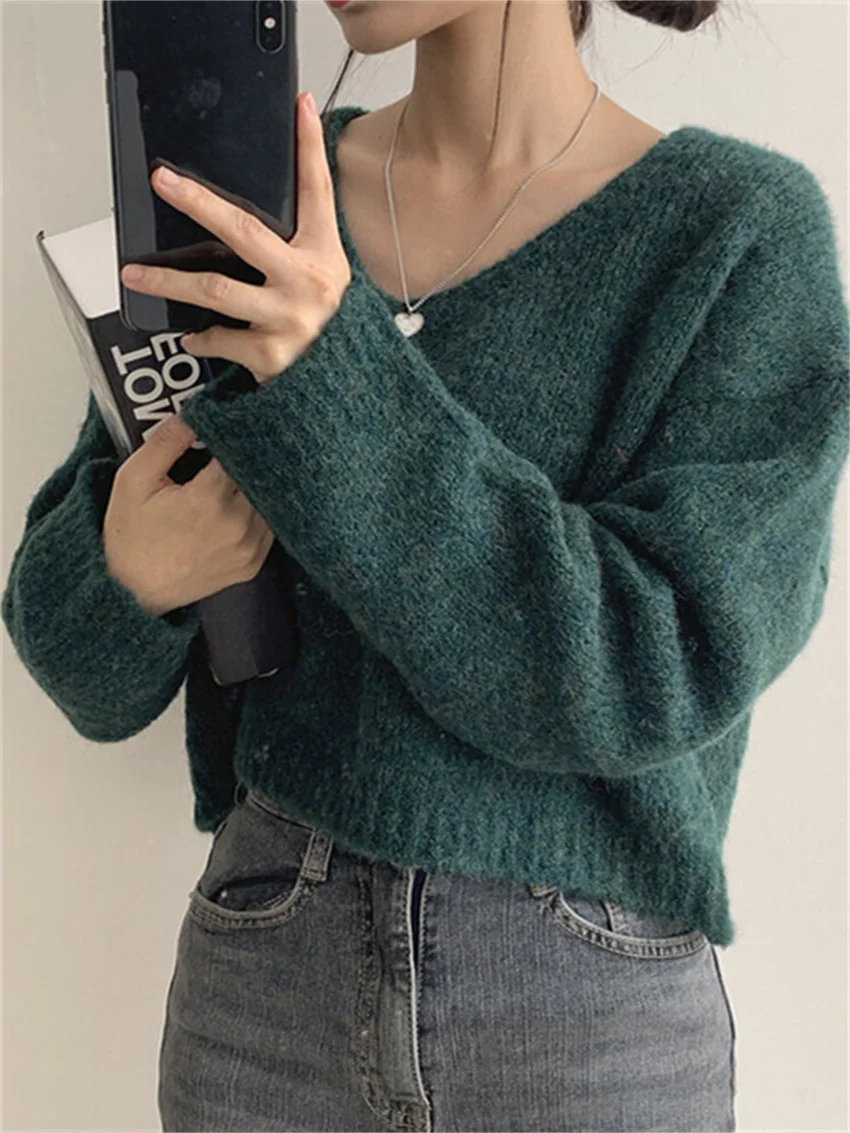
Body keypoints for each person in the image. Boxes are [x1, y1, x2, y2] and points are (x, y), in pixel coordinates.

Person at [4, 2, 848, 1131]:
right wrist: (128, 577)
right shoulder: (256, 203)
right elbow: (79, 670)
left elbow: (657, 668)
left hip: (583, 1021)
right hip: (264, 990)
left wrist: (333, 368)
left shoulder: (735, 235)